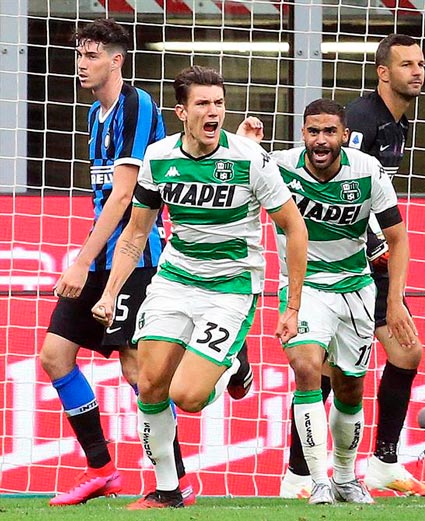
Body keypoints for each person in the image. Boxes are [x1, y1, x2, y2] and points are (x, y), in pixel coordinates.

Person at [91, 65, 307, 509]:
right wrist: (111, 292)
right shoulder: (159, 157)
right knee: (148, 384)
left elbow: (293, 226)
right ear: (182, 112)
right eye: (203, 104)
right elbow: (135, 233)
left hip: (230, 286)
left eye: (219, 103)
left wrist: (293, 306)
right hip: (174, 280)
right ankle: (168, 491)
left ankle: (233, 364)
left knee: (186, 397)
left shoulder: (249, 158)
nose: (214, 113)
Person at [39, 18, 196, 507]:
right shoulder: (94, 114)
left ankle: (179, 480)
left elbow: (126, 193)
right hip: (98, 255)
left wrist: (81, 262)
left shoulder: (137, 105)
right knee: (54, 356)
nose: (82, 64)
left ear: (116, 60)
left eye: (91, 55)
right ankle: (102, 469)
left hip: (134, 259)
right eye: (79, 55)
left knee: (138, 372)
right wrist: (88, 257)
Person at [280, 33, 425, 498]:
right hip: (346, 264)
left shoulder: (396, 121)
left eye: (421, 63)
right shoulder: (364, 122)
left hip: (366, 267)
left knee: (398, 356)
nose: (418, 71)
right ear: (383, 73)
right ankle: (302, 473)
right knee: (319, 367)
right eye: (407, 63)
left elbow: (380, 208)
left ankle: (381, 462)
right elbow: (338, 184)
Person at [238, 98, 418, 504]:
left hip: (355, 288)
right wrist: (243, 140)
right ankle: (316, 480)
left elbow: (398, 239)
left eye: (329, 132)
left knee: (350, 388)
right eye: (313, 131)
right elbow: (232, 165)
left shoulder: (367, 171)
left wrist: (394, 301)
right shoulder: (279, 166)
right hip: (304, 288)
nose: (321, 141)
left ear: (343, 136)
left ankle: (344, 476)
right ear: (303, 134)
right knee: (306, 367)